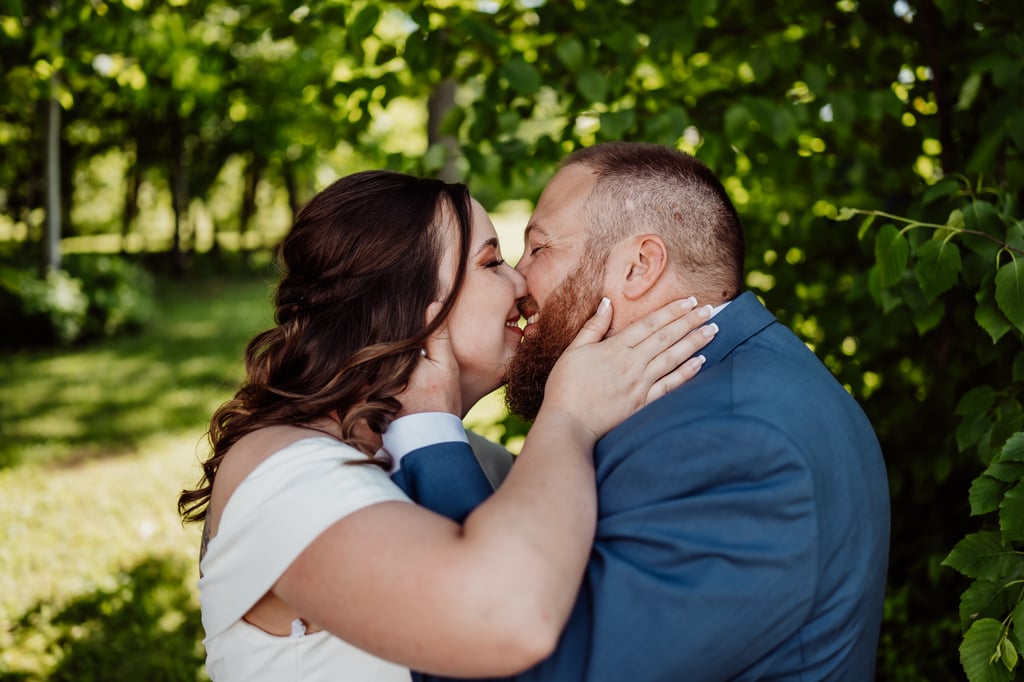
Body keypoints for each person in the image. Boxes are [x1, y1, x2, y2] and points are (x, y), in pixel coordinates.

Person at [176, 169, 718, 681]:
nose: (522, 284)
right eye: (492, 263)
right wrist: (568, 416)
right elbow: (507, 621)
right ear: (407, 305)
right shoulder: (281, 476)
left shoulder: (465, 455)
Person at [392, 142, 891, 681]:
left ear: (638, 267)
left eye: (539, 249)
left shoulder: (737, 436)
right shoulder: (716, 390)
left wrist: (429, 431)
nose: (519, 279)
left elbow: (515, 661)